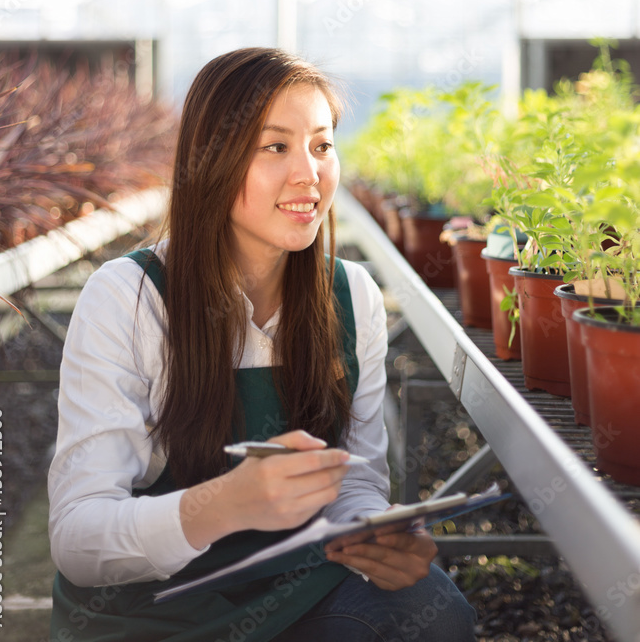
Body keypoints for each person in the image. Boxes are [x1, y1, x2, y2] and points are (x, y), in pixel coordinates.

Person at [48, 46, 476, 642]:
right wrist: (222, 505)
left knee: (430, 609)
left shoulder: (353, 296)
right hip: (151, 607)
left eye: (321, 145)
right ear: (211, 160)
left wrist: (374, 532)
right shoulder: (128, 297)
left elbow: (355, 478)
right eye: (275, 146)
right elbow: (78, 539)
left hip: (293, 584)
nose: (309, 173)